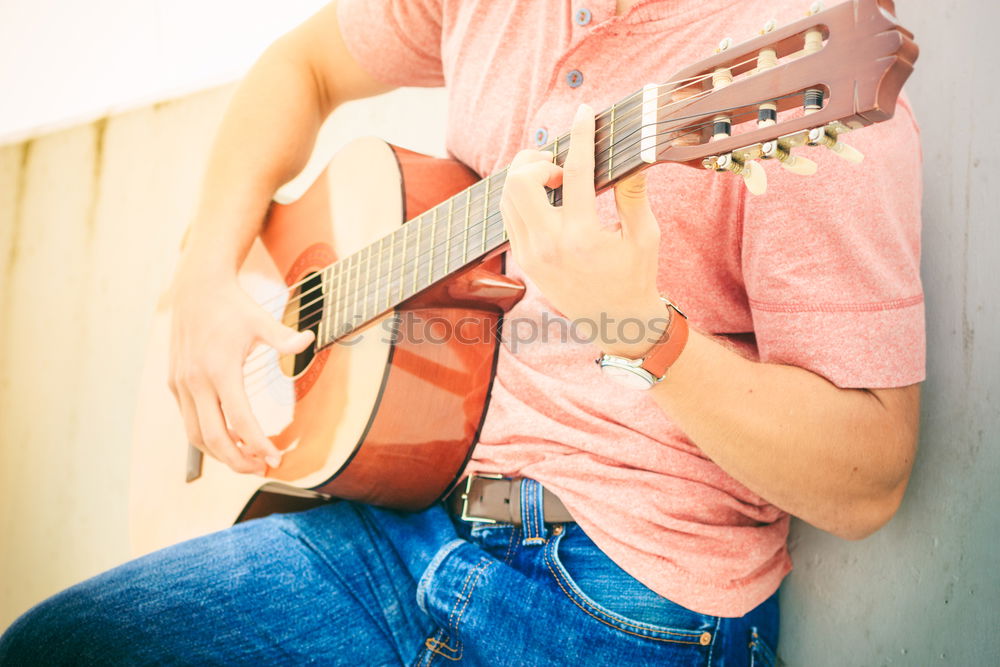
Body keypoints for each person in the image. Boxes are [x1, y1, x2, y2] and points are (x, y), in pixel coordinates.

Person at [0, 0, 923, 664]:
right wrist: (208, 265)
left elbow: (868, 477)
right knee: (53, 646)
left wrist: (642, 330)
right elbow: (304, 64)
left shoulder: (793, 53)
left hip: (626, 598)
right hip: (403, 524)